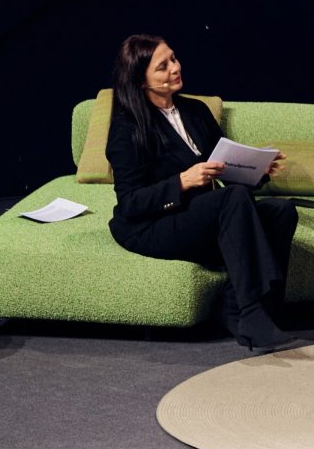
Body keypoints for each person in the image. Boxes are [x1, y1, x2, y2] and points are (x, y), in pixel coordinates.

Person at [106, 35, 297, 352]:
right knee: (232, 200)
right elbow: (130, 203)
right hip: (150, 225)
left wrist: (257, 170)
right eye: (163, 66)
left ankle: (244, 306)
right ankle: (251, 313)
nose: (175, 68)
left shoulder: (195, 110)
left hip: (196, 215)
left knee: (282, 211)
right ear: (141, 81)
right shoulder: (127, 128)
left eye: (174, 58)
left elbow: (222, 168)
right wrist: (181, 182)